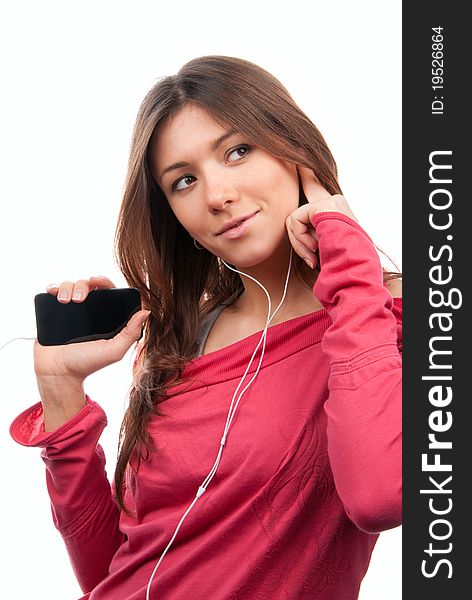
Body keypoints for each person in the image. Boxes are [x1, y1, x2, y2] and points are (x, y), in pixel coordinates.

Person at [10, 55, 402, 600]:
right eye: (184, 181)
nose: (216, 195)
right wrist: (60, 393)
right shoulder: (181, 339)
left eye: (238, 151)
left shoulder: (390, 315)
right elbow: (114, 572)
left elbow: (381, 495)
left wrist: (349, 257)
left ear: (294, 149)